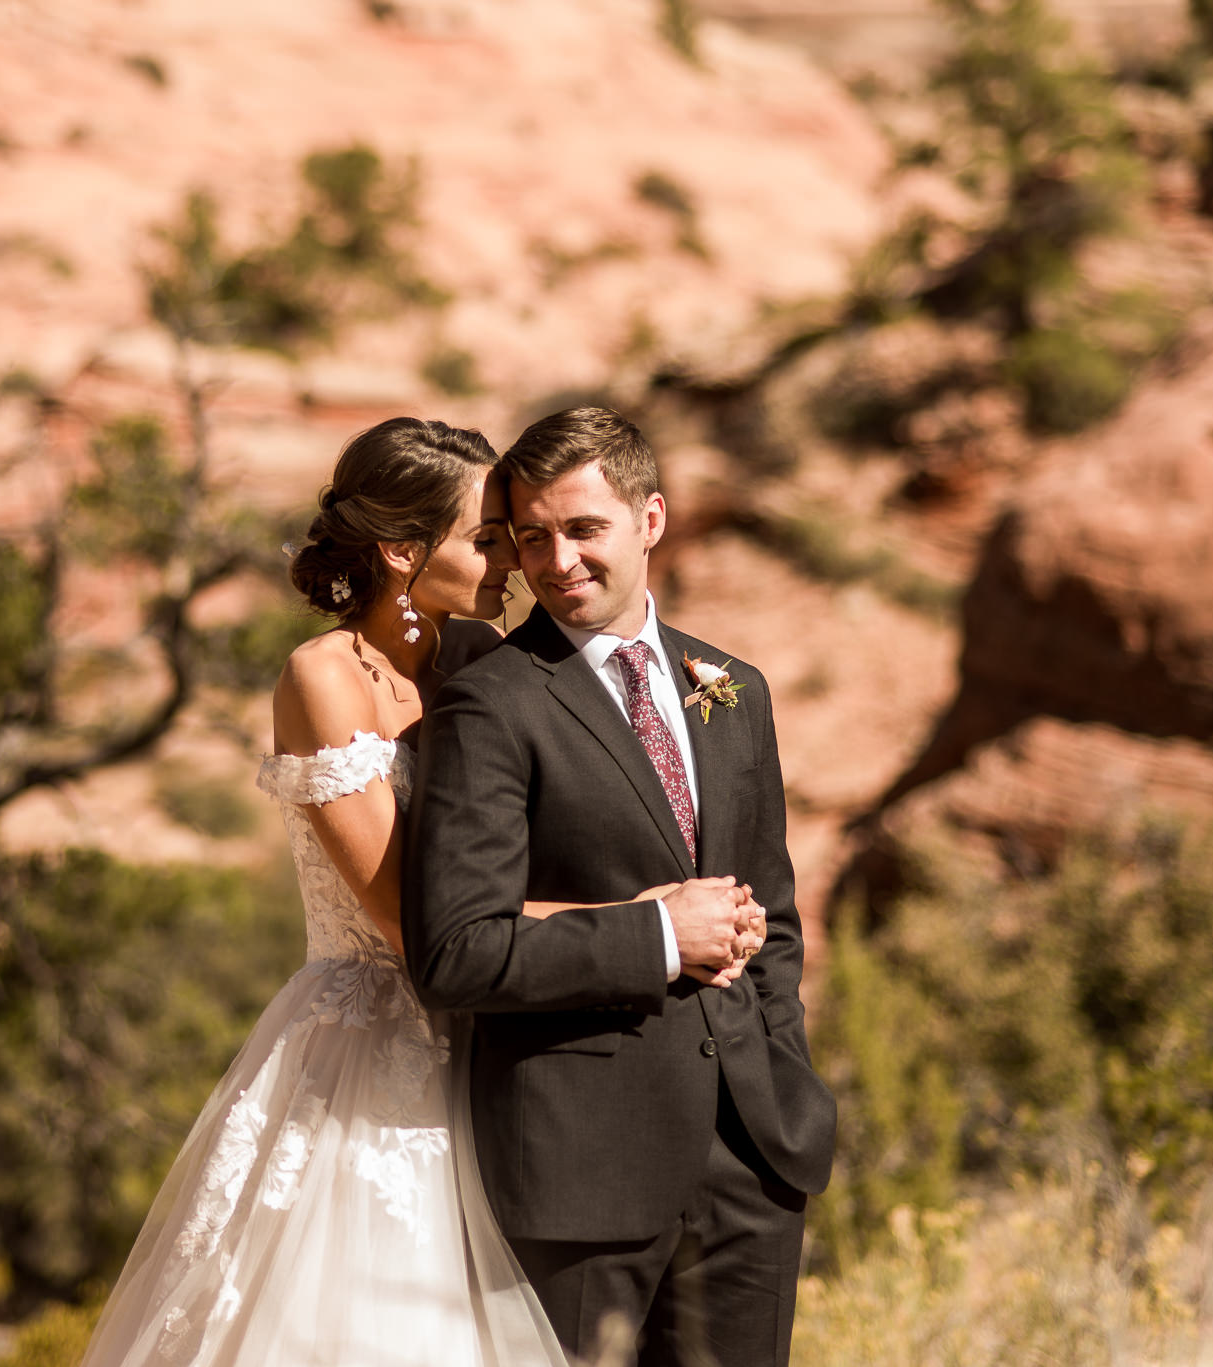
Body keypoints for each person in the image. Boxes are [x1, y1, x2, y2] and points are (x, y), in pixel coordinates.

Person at [80, 416, 689, 1366]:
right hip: (367, 1052)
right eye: (485, 539)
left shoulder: (483, 661)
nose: (514, 563)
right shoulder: (323, 679)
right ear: (405, 552)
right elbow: (415, 921)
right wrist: (645, 924)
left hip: (498, 1038)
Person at [403, 407, 837, 1367]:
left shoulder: (735, 688)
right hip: (577, 1172)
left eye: (584, 528)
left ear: (651, 519)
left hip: (751, 1166)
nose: (558, 560)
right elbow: (455, 949)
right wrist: (657, 936)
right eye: (532, 536)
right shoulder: (491, 702)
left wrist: (784, 1079)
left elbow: (775, 916)